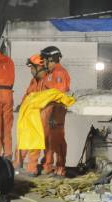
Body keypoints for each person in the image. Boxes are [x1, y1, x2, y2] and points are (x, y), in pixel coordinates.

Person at [40, 46, 71, 177]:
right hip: (49, 111)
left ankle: (60, 168)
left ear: (51, 59)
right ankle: (48, 166)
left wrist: (53, 114)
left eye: (45, 60)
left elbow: (59, 95)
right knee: (48, 140)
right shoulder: (50, 74)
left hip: (56, 111)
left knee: (57, 140)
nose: (43, 63)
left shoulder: (59, 73)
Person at [16, 54, 48, 176]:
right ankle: (17, 165)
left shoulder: (46, 81)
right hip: (29, 116)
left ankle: (31, 169)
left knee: (35, 143)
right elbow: (28, 94)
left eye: (32, 67)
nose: (31, 70)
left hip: (39, 116)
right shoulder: (34, 81)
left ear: (39, 66)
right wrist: (22, 104)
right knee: (23, 141)